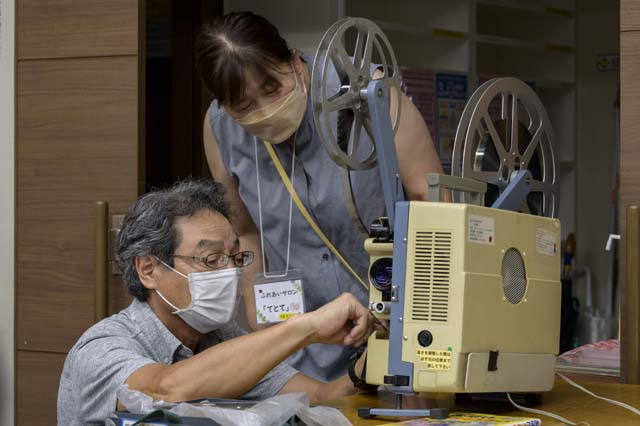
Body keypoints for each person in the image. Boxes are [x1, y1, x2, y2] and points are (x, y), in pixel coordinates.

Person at [197, 11, 444, 381]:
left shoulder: (365, 92)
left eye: (272, 90)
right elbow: (245, 230)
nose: (265, 111)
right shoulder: (219, 128)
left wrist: (413, 309)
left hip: (395, 326)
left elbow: (432, 203)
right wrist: (268, 334)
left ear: (295, 61)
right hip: (302, 341)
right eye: (244, 107)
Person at [57, 179, 375, 425]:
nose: (231, 273)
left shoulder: (222, 337)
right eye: (211, 259)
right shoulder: (101, 348)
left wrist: (374, 358)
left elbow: (321, 397)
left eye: (235, 257)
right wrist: (305, 328)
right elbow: (163, 389)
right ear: (148, 269)